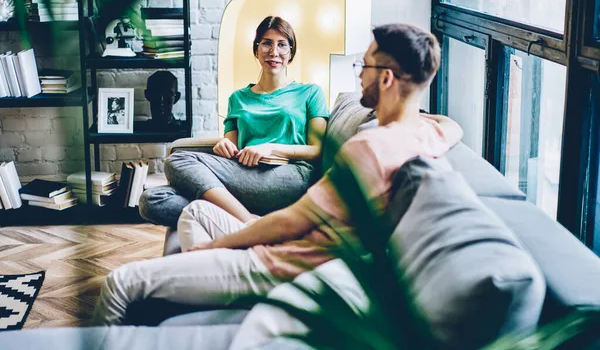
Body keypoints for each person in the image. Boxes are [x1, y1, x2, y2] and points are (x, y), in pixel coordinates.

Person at [93, 23, 463, 326]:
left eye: (363, 67)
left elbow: (290, 223)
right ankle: (197, 294)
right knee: (192, 210)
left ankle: (196, 281)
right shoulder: (431, 133)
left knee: (120, 282)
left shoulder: (366, 149)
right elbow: (450, 125)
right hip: (271, 223)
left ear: (385, 79)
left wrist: (215, 248)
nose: (358, 76)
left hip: (277, 262)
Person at [139, 16, 329, 227]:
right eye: (266, 43)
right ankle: (248, 218)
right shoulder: (238, 98)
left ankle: (246, 222)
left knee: (177, 160)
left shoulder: (310, 93)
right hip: (243, 176)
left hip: (289, 176)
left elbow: (317, 150)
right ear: (256, 49)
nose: (274, 52)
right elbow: (231, 146)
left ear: (291, 52)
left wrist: (271, 149)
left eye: (282, 45)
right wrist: (224, 145)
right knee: (151, 200)